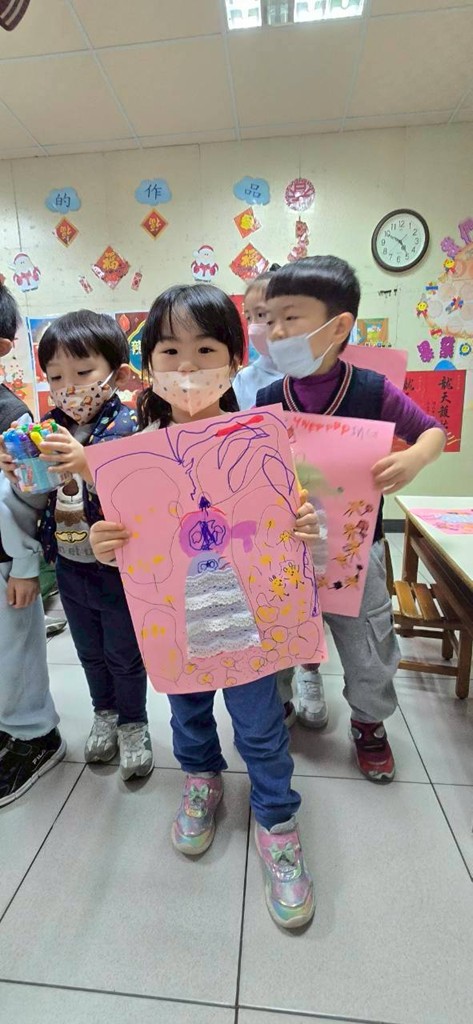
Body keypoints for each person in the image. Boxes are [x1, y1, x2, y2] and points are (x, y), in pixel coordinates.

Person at [89, 283, 319, 929]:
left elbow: (292, 515)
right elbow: (126, 542)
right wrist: (105, 545)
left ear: (235, 358)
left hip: (249, 620)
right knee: (187, 713)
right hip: (175, 620)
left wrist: (305, 527)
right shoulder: (131, 452)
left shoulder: (262, 436)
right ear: (149, 365)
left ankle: (277, 819)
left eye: (206, 349)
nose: (187, 367)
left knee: (260, 725)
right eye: (169, 351)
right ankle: (201, 778)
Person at [256, 256, 446, 782]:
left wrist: (414, 458)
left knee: (367, 646)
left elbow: (432, 431)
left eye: (290, 317)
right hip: (288, 547)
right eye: (269, 318)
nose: (275, 331)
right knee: (281, 634)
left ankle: (368, 723)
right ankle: (279, 706)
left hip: (357, 550)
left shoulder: (370, 391)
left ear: (338, 326)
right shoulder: (268, 398)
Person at [0, 310, 153, 783]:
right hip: (69, 564)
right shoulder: (46, 429)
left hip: (117, 568)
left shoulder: (133, 426)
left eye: (83, 373)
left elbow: (140, 498)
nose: (69, 387)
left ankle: (134, 723)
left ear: (117, 375)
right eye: (56, 377)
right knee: (88, 651)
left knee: (124, 653)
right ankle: (104, 713)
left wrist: (87, 462)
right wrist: (18, 472)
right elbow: (37, 494)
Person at [0, 282, 65, 805]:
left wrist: (24, 565)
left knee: (13, 652)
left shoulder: (11, 417)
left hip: (5, 561)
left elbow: (23, 500)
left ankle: (35, 734)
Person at [233, 265, 282, 411]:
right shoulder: (245, 378)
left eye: (261, 314)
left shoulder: (314, 374)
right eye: (249, 317)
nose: (253, 327)